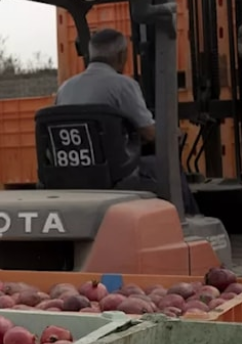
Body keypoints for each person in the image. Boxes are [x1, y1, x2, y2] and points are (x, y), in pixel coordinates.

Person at [54, 28, 200, 214]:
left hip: (71, 173)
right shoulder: (123, 85)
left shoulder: (65, 88)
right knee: (168, 167)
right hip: (113, 175)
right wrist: (174, 133)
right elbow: (150, 133)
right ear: (122, 55)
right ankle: (187, 219)